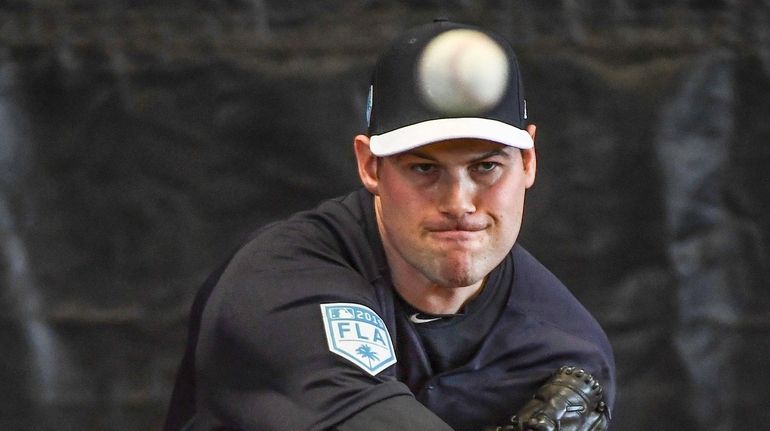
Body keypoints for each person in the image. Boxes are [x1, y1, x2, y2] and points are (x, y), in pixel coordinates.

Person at [164, 19, 616, 431]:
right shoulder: (279, 286)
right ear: (371, 167)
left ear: (528, 163)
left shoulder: (566, 350)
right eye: (424, 168)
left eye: (486, 167)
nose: (459, 203)